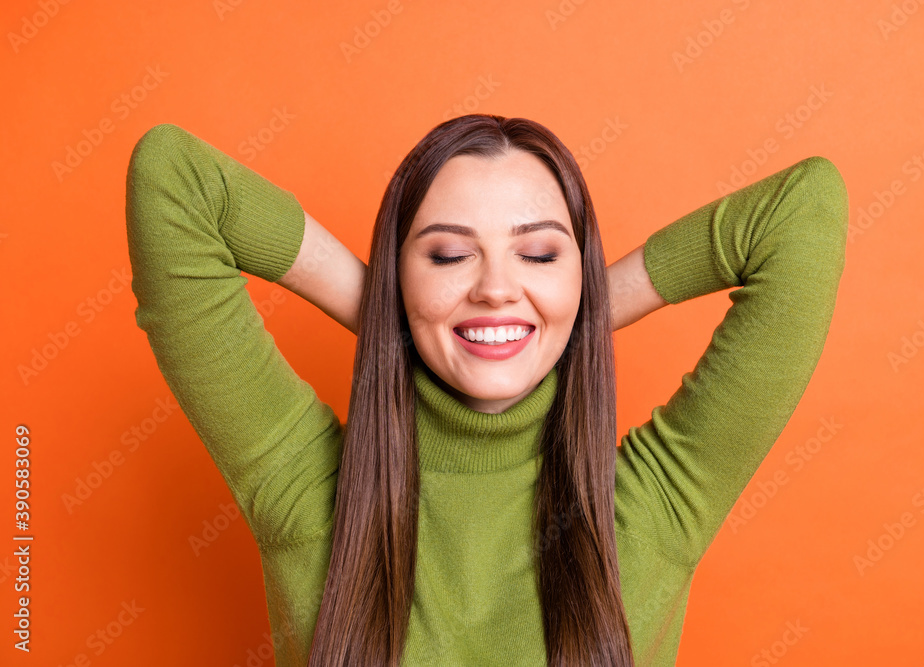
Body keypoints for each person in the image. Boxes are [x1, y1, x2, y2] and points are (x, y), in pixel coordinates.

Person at [124, 115, 848, 666]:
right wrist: (391, 319)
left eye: (537, 253)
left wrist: (579, 319)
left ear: (578, 271)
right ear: (400, 272)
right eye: (446, 254)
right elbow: (174, 180)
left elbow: (803, 212)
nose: (497, 288)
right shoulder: (311, 495)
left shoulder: (651, 511)